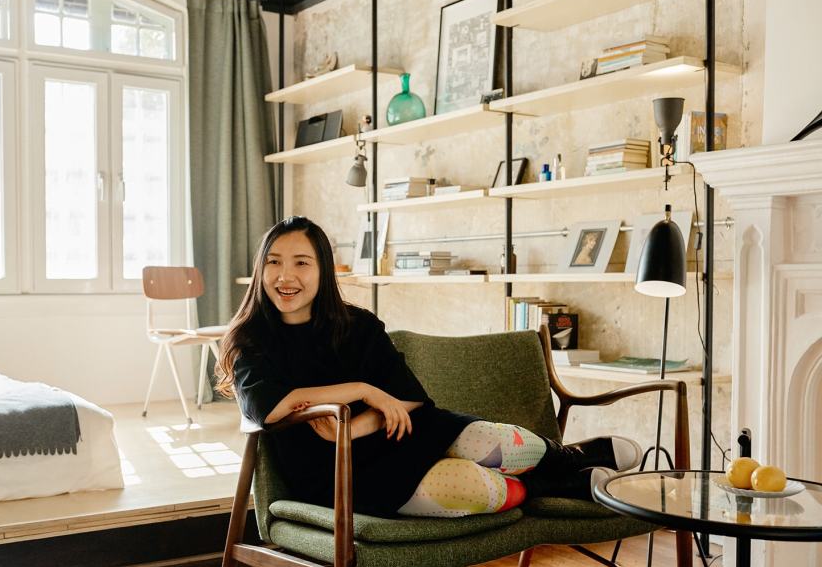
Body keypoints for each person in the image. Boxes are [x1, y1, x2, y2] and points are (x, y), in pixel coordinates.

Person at [216, 216, 640, 518]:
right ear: (261, 269)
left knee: (491, 443)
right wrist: (363, 390)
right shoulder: (249, 339)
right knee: (474, 487)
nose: (285, 275)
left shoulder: (358, 325)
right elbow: (271, 407)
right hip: (334, 476)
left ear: (322, 269)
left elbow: (407, 399)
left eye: (301, 262)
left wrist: (355, 426)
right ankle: (555, 484)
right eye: (274, 261)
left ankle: (569, 457)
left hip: (393, 435)